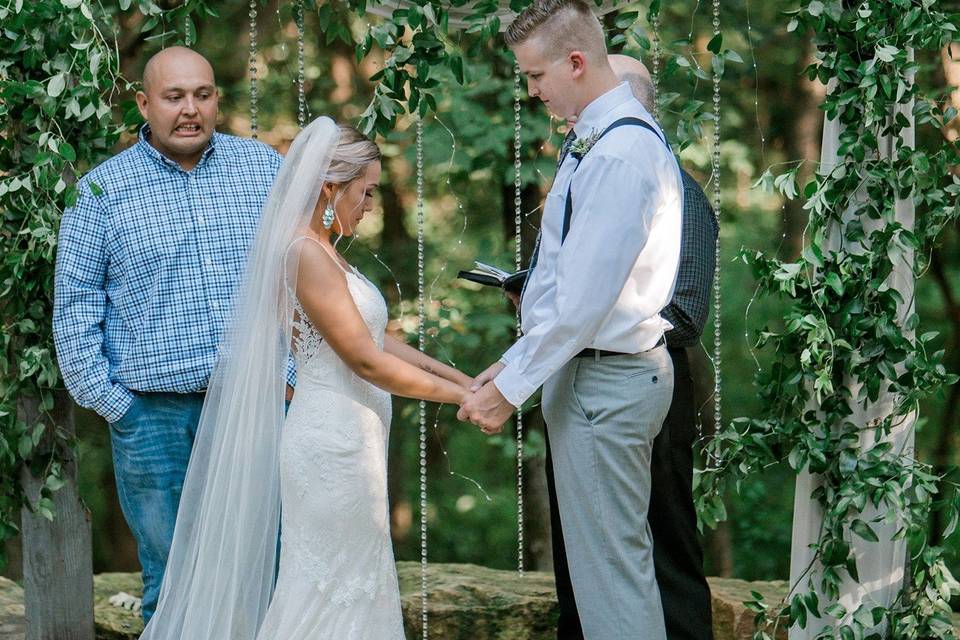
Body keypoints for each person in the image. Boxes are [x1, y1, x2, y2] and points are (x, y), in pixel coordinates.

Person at [140, 117, 474, 640]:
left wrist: (462, 379)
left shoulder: (321, 251)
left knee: (352, 583)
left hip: (352, 443)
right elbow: (364, 360)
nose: (369, 205)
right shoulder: (304, 254)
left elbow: (375, 338)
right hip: (331, 449)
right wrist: (461, 399)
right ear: (329, 187)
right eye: (364, 192)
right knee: (332, 592)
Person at [460, 1, 683, 638]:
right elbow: (568, 287)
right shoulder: (606, 139)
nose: (532, 92)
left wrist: (507, 392)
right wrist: (511, 361)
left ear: (576, 62)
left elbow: (584, 305)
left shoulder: (617, 155)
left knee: (610, 580)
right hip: (594, 375)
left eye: (535, 77)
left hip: (603, 383)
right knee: (605, 573)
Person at [52, 46, 289, 622]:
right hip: (150, 417)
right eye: (174, 96)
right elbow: (75, 308)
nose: (190, 110)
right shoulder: (101, 192)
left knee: (271, 565)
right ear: (144, 103)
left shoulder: (263, 170)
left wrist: (290, 376)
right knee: (169, 579)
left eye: (202, 95)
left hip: (254, 403)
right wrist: (118, 407)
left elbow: (301, 279)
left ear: (217, 100)